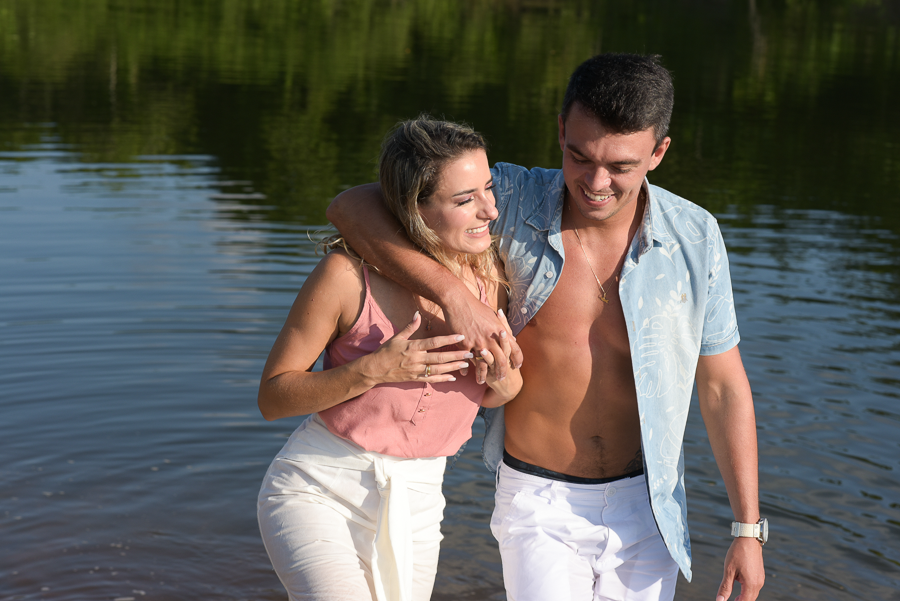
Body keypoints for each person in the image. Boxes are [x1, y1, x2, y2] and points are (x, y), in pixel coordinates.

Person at [326, 53, 766, 601]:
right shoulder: (507, 198)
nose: (596, 182)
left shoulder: (695, 237)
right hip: (539, 497)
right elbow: (351, 205)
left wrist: (747, 529)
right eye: (579, 156)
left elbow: (723, 386)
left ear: (658, 152)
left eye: (621, 167)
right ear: (560, 130)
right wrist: (454, 296)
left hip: (650, 504)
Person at [256, 117, 522, 601]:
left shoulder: (494, 281)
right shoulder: (345, 276)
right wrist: (371, 369)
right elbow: (273, 396)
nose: (490, 210)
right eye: (465, 200)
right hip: (319, 488)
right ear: (415, 210)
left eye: (487, 188)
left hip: (420, 504)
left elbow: (505, 392)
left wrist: (500, 377)